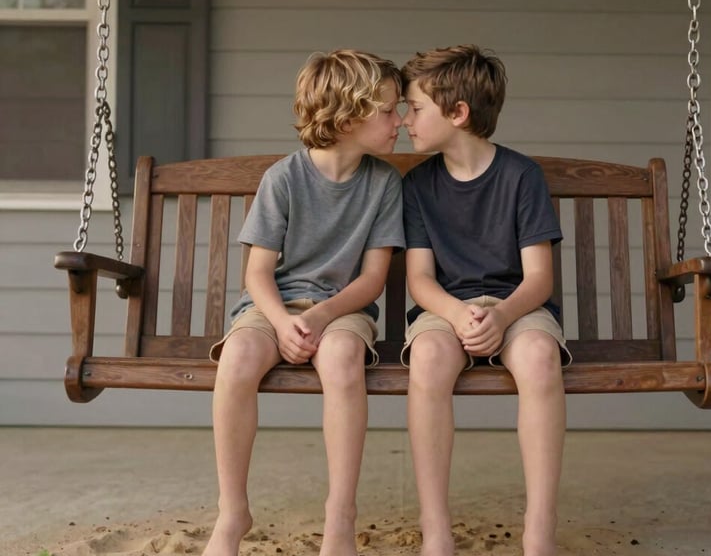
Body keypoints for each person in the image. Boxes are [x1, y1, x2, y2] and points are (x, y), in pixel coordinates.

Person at [202, 49, 405, 556]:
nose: (399, 119)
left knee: (340, 360)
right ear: (347, 116)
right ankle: (232, 512)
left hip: (343, 311)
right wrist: (282, 321)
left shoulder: (383, 184)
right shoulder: (284, 178)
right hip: (273, 307)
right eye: (388, 109)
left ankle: (341, 515)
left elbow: (373, 278)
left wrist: (318, 316)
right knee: (238, 358)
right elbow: (258, 273)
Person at [399, 45, 571, 556]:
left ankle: (539, 527)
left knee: (540, 359)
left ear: (458, 113)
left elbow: (539, 277)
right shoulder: (417, 185)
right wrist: (456, 313)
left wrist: (500, 315)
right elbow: (420, 279)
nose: (407, 119)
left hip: (517, 306)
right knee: (428, 358)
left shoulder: (522, 177)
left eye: (416, 107)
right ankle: (436, 529)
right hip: (444, 308)